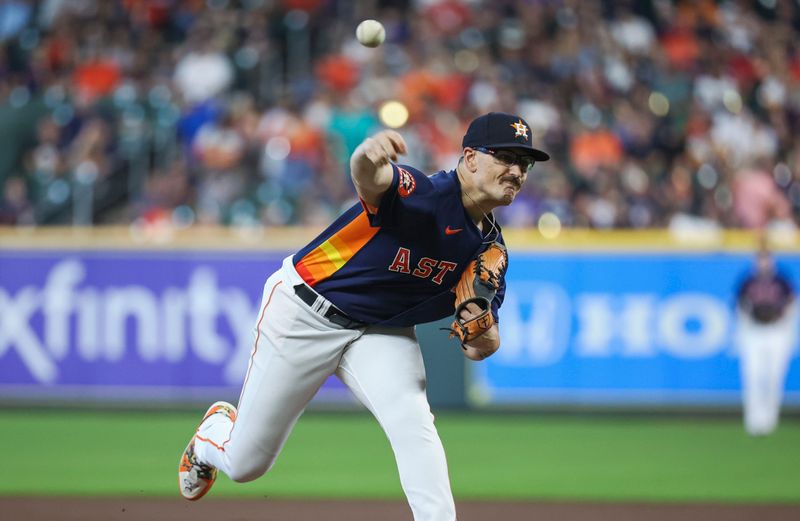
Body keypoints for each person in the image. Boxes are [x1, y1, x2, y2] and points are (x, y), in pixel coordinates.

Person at [177, 112, 549, 519]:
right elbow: (371, 178)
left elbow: (481, 348)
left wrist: (476, 313)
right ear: (470, 158)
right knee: (247, 464)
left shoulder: (490, 252)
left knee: (414, 424)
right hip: (306, 310)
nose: (516, 171)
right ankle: (211, 437)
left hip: (380, 332)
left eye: (524, 163)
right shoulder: (425, 194)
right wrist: (365, 156)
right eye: (506, 157)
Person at [735, 246, 797, 436]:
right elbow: (740, 305)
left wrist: (789, 331)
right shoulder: (748, 281)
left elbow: (792, 303)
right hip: (755, 331)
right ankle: (753, 420)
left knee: (774, 376)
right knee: (753, 375)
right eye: (760, 259)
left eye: (766, 259)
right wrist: (743, 331)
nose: (763, 263)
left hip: (776, 330)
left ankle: (770, 419)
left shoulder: (782, 280)